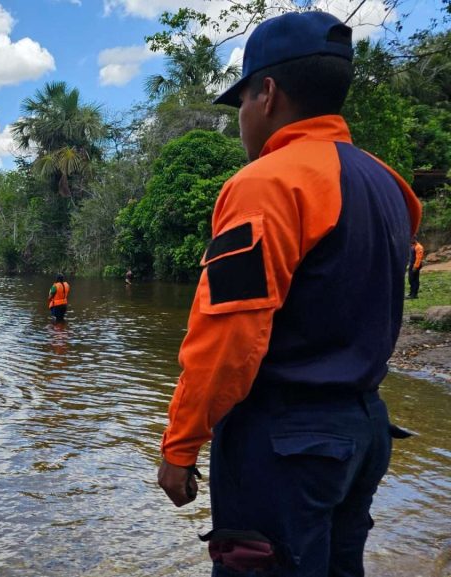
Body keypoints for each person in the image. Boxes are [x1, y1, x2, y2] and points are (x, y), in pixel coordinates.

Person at [156, 12, 421, 577]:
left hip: (286, 446)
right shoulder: (390, 185)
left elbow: (228, 335)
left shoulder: (268, 184)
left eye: (243, 103)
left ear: (268, 94)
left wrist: (181, 446)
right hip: (364, 431)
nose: (243, 121)